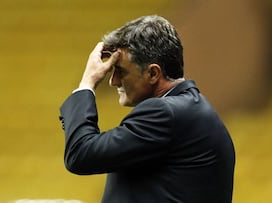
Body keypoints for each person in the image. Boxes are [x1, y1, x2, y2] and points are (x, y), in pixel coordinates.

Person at [58, 15, 235, 203]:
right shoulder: (189, 108)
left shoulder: (164, 113)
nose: (113, 81)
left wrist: (87, 84)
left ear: (153, 73)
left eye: (121, 71)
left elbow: (81, 154)